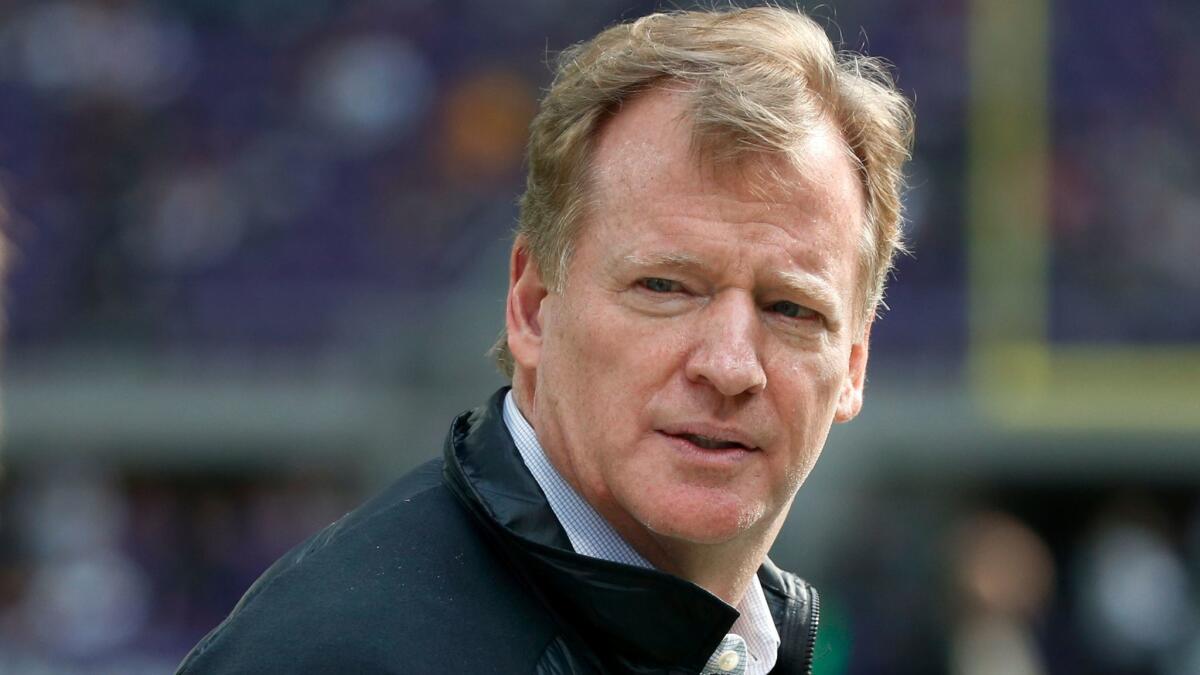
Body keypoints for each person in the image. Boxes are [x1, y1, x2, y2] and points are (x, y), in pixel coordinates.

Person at [177, 6, 912, 674]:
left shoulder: (749, 647)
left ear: (853, 364)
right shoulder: (334, 655)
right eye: (665, 287)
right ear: (530, 307)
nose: (728, 365)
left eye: (791, 308)